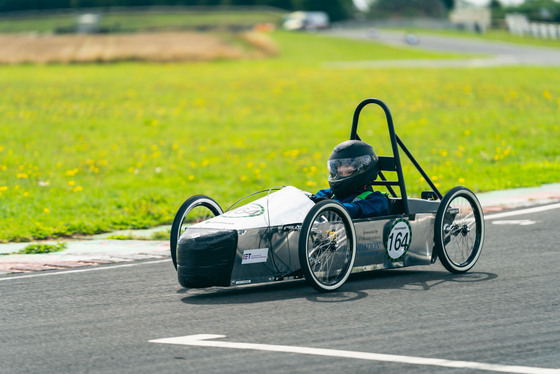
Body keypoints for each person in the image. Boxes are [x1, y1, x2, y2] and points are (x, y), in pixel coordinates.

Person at [310, 140, 389, 219]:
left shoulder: (377, 200)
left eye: (348, 172)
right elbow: (317, 197)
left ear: (363, 171)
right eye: (340, 173)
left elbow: (354, 210)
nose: (342, 176)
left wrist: (330, 205)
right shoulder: (331, 193)